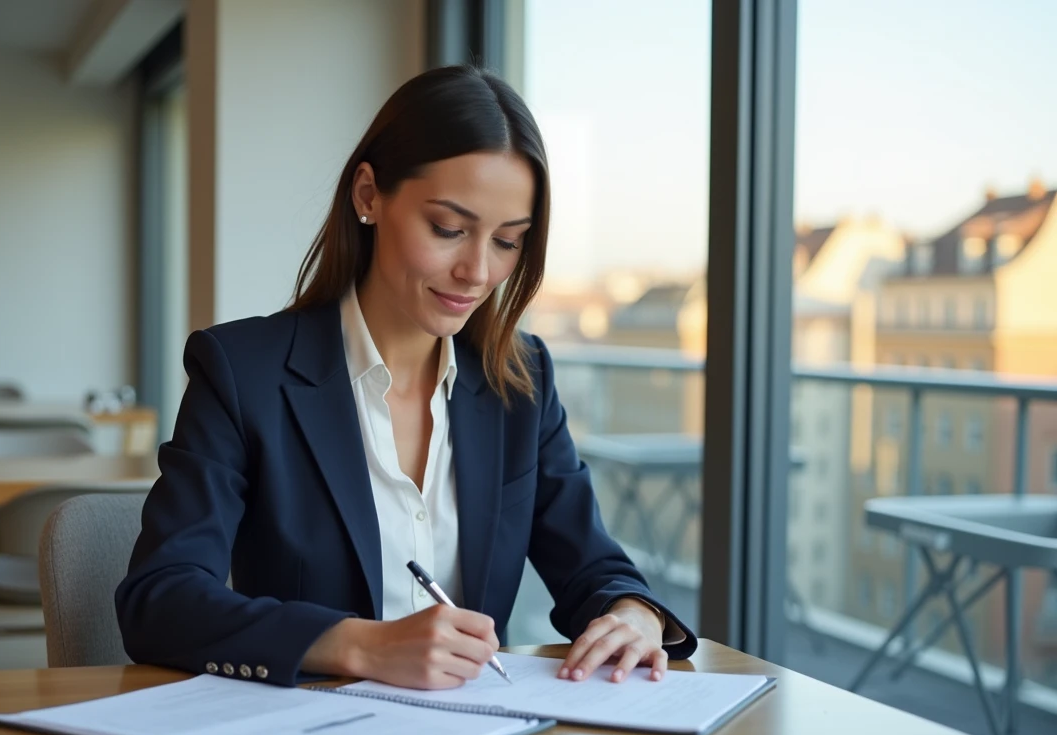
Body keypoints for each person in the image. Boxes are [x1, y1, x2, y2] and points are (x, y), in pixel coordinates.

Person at [116, 64, 697, 690]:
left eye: (507, 241)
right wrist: (357, 646)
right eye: (448, 229)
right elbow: (160, 599)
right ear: (369, 195)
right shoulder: (243, 373)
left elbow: (594, 567)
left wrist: (631, 612)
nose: (477, 270)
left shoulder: (520, 382)